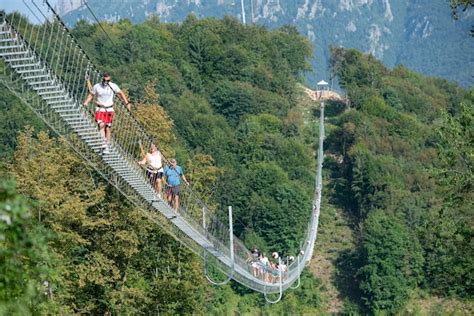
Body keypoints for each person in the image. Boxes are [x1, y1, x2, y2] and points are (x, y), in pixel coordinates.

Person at [83, 72, 130, 154]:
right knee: (101, 125)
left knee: (107, 128)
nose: (106, 82)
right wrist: (86, 102)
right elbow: (91, 94)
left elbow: (121, 93)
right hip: (100, 109)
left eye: (108, 80)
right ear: (102, 79)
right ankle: (103, 143)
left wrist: (127, 103)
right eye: (105, 80)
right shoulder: (97, 86)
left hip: (109, 109)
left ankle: (107, 145)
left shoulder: (113, 86)